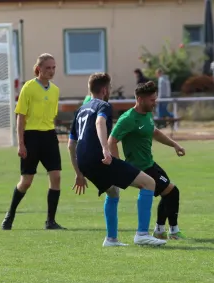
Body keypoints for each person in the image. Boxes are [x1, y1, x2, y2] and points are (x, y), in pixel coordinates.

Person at [68, 73, 166, 247]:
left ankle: (111, 239)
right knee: (149, 183)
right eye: (110, 88)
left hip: (83, 162)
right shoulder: (104, 105)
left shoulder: (80, 110)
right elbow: (100, 123)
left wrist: (78, 173)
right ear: (105, 90)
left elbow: (70, 145)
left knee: (113, 192)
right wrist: (105, 149)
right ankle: (142, 234)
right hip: (99, 158)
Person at [108, 81, 186, 240]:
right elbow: (111, 141)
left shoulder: (147, 114)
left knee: (169, 192)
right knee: (172, 191)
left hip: (149, 163)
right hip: (139, 168)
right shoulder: (128, 119)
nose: (155, 103)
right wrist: (119, 167)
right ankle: (171, 231)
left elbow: (154, 132)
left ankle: (161, 230)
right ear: (140, 99)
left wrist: (174, 144)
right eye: (152, 100)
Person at [1, 54, 64, 230]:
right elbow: (21, 117)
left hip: (49, 136)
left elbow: (52, 116)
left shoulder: (55, 90)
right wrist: (21, 143)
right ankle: (10, 215)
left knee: (56, 177)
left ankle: (50, 221)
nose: (51, 71)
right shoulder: (28, 88)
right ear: (39, 69)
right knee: (27, 181)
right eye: (47, 68)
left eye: (53, 67)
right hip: (31, 137)